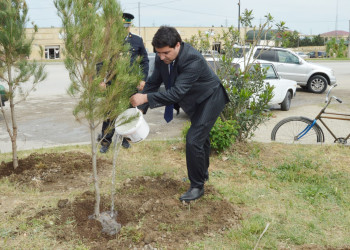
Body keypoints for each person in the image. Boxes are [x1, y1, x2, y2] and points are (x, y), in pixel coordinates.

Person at [130, 26, 229, 202]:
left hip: (210, 98)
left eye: (166, 53)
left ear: (177, 45)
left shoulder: (193, 59)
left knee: (193, 139)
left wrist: (145, 98)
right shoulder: (163, 58)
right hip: (194, 100)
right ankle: (201, 174)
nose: (161, 57)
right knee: (201, 139)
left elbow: (176, 93)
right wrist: (139, 111)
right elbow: (152, 83)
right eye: (158, 53)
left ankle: (197, 186)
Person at [99, 13, 149, 153]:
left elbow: (144, 61)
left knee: (129, 112)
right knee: (110, 114)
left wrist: (143, 78)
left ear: (130, 26)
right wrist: (100, 80)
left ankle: (126, 139)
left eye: (126, 26)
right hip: (113, 84)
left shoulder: (137, 41)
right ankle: (105, 142)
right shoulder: (109, 42)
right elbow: (101, 61)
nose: (124, 29)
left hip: (130, 85)